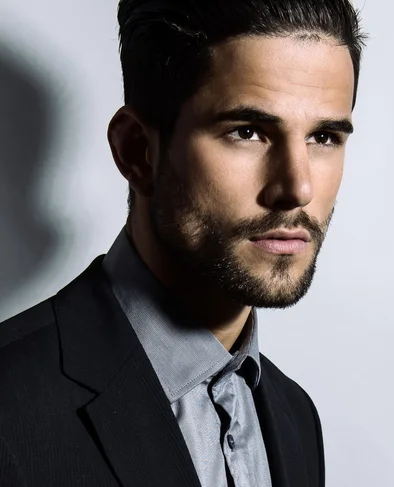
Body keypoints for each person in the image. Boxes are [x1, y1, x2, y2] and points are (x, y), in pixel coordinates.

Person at [0, 0, 366, 485]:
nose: (297, 188)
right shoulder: (10, 409)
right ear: (138, 152)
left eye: (323, 137)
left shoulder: (294, 417)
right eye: (248, 131)